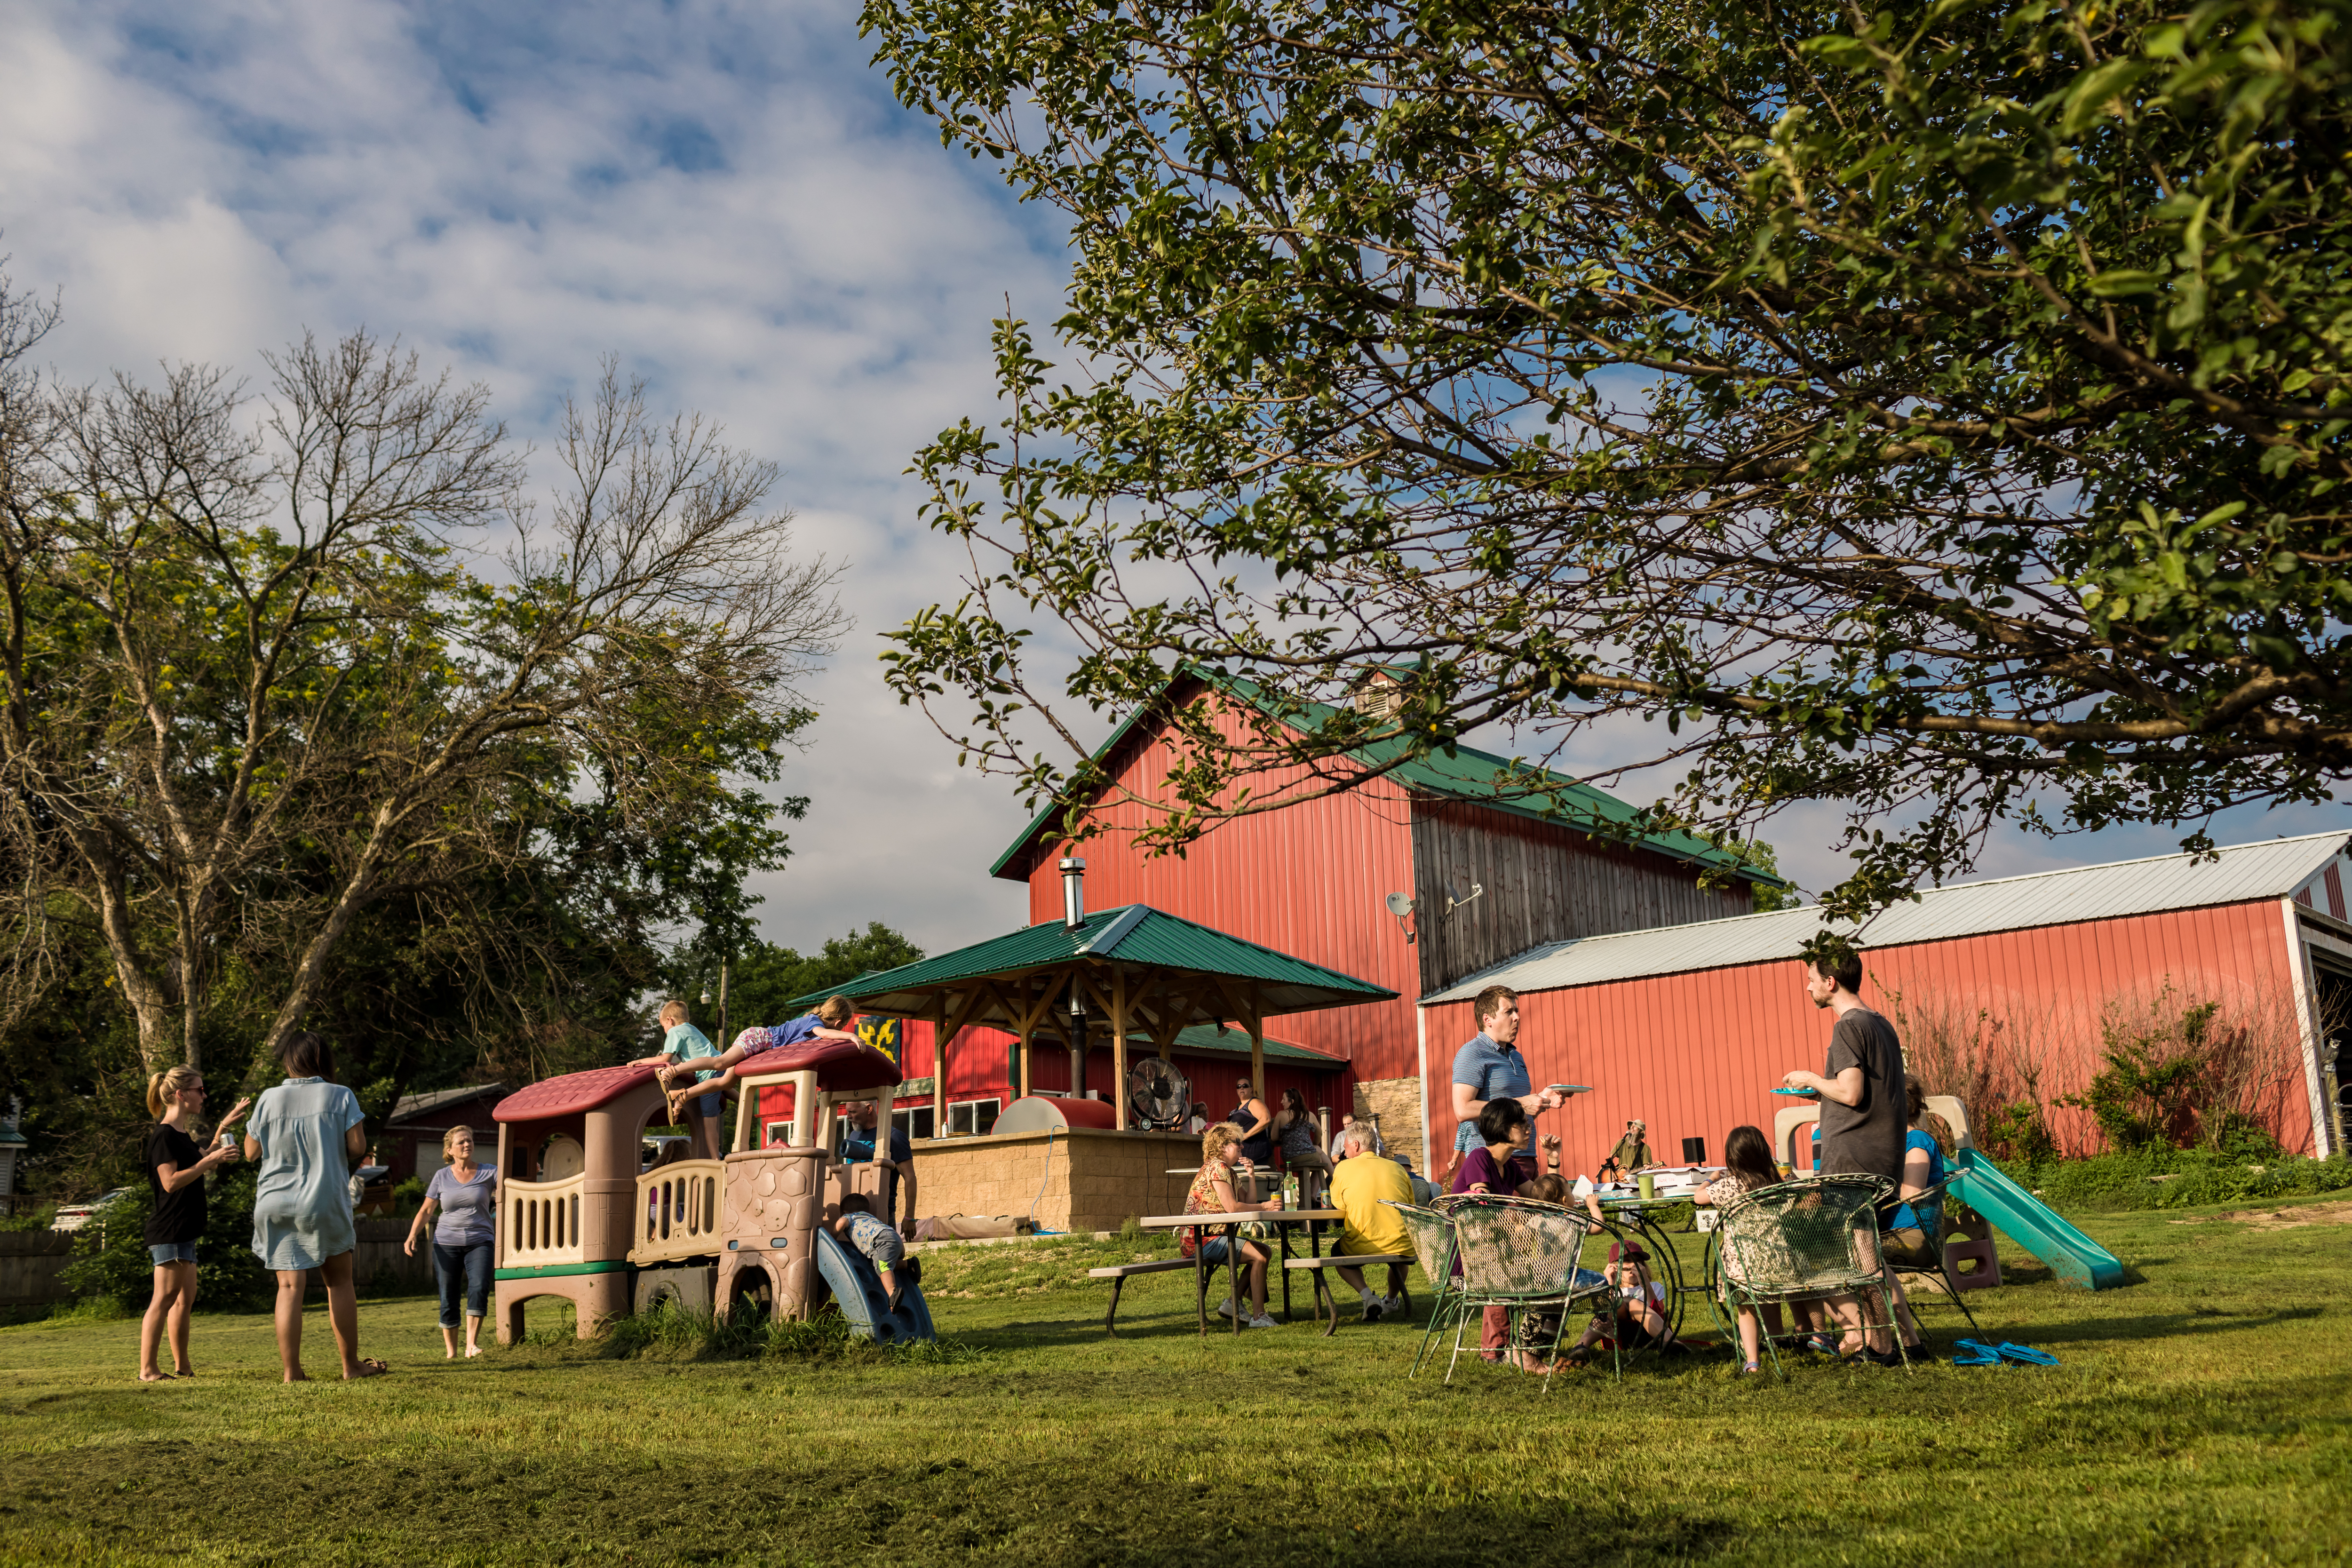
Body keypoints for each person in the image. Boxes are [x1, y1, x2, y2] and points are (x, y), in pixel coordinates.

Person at [1781, 941, 1909, 1364]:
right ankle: (1910, 1341)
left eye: (1812, 979)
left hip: (1856, 1163)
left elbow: (1851, 1093)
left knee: (1861, 1260)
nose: (1808, 988)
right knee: (1871, 1254)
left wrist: (1812, 1078)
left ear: (1830, 982)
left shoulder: (1849, 1026)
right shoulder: (1880, 1023)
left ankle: (1882, 1347)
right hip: (1880, 1156)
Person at [245, 1030, 386, 1381]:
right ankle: (352, 1366)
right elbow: (357, 1147)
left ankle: (292, 1371)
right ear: (324, 1060)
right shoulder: (340, 1095)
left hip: (274, 1201)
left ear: (289, 1060)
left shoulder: (269, 1098)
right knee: (339, 1283)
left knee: (289, 1288)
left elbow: (250, 1151)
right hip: (322, 1199)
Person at [138, 1067, 249, 1381]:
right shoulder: (163, 1136)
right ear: (180, 1094)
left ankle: (183, 1367)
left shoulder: (181, 1135)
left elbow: (205, 1154)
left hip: (185, 1229)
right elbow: (170, 1182)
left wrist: (225, 1127)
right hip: (170, 1229)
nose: (205, 1095)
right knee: (164, 1299)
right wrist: (207, 1163)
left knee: (184, 1301)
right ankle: (148, 1370)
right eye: (200, 1090)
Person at [662, 996, 864, 1121]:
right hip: (758, 1039)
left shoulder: (813, 1024)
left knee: (726, 1082)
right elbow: (825, 1034)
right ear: (839, 1022)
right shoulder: (814, 1022)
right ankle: (672, 1071)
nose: (841, 1030)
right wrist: (852, 1036)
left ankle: (682, 1096)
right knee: (720, 1063)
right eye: (842, 1027)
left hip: (761, 1047)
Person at [1690, 1123, 1788, 1374]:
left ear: (1732, 1157)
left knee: (1746, 1305)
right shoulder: (1777, 1181)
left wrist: (1711, 1178)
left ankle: (1753, 1360)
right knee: (1768, 1293)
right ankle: (1777, 1339)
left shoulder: (1730, 1185)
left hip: (1741, 1265)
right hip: (1779, 1261)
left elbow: (1698, 1198)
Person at [1451, 1098, 1543, 1362]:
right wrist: (1515, 1220)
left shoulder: (1510, 1165)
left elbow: (1540, 1198)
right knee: (1513, 1276)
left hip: (1493, 1256)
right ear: (1502, 1128)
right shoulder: (1480, 1157)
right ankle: (1499, 1353)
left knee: (1541, 1274)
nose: (1528, 1129)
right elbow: (1483, 1206)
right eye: (1521, 1123)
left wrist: (1554, 1159)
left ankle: (1513, 1348)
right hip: (1465, 1265)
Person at [402, 1125, 498, 1360]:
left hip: (480, 1241)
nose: (467, 1145)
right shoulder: (441, 1176)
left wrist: (530, 1169)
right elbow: (427, 1210)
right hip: (445, 1243)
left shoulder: (489, 1172)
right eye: (461, 1142)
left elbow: (516, 1177)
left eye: (470, 1141)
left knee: (479, 1287)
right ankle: (451, 1353)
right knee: (448, 1295)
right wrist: (412, 1234)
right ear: (450, 1150)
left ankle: (471, 1346)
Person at [1450, 986, 1573, 1160]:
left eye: (1516, 1011)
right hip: (1494, 1161)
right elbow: (1463, 1110)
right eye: (1509, 1012)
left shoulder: (1515, 1055)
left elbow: (1514, 1111)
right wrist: (1521, 1104)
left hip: (1527, 1157)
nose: (1517, 1017)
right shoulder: (1472, 1053)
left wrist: (1542, 1099)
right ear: (1487, 1019)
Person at [1182, 1122, 1287, 1328]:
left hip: (1212, 1237)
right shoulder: (1217, 1168)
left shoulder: (1228, 1171)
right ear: (1222, 1146)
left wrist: (1252, 1175)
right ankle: (1258, 1317)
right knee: (1260, 1255)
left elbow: (1248, 1200)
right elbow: (1233, 1207)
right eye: (1237, 1143)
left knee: (1264, 1251)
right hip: (1201, 1240)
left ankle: (1233, 1302)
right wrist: (1265, 1207)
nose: (1242, 1147)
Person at [1326, 1122, 1412, 1321]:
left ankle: (1367, 1296)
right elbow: (1409, 1206)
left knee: (1337, 1253)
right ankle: (1391, 1301)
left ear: (1356, 1145)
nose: (1344, 1152)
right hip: (1400, 1243)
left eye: (1345, 1146)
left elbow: (1339, 1206)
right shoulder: (1398, 1168)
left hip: (1361, 1243)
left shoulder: (1343, 1167)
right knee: (1400, 1256)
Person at [631, 999, 722, 1160]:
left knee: (709, 1121)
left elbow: (666, 1058)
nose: (665, 1031)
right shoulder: (691, 1029)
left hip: (709, 1074)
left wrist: (640, 1061)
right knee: (728, 1090)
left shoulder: (675, 1031)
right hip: (720, 1067)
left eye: (663, 1027)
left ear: (669, 1020)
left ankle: (716, 1159)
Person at [839, 1099, 918, 1240]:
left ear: (869, 1109)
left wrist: (909, 1217)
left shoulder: (893, 1137)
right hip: (854, 1215)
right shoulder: (854, 1136)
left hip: (881, 1211)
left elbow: (910, 1177)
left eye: (853, 1112)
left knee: (885, 1256)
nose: (848, 1117)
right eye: (848, 1112)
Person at [832, 1193, 921, 1312]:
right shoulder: (870, 1217)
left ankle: (893, 1293)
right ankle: (908, 1264)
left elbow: (842, 1223)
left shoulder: (849, 1217)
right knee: (880, 1264)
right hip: (893, 1237)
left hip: (881, 1240)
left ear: (844, 1211)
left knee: (883, 1267)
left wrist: (831, 1237)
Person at [1274, 1088, 1331, 1205]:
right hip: (1308, 1155)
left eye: (1284, 1099)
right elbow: (1319, 1133)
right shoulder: (1309, 1115)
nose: (1281, 1102)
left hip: (1289, 1157)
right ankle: (1331, 1178)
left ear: (1292, 1101)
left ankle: (1311, 1195)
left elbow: (1274, 1137)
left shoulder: (1281, 1115)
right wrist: (1314, 1144)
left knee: (1318, 1155)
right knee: (1319, 1156)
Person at [1226, 1079, 1275, 1167]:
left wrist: (1247, 1135)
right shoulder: (1239, 1107)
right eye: (1239, 1087)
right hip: (1243, 1155)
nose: (1242, 1088)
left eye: (1245, 1086)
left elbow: (1266, 1119)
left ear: (1251, 1089)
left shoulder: (1253, 1102)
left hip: (1255, 1155)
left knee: (1250, 1180)